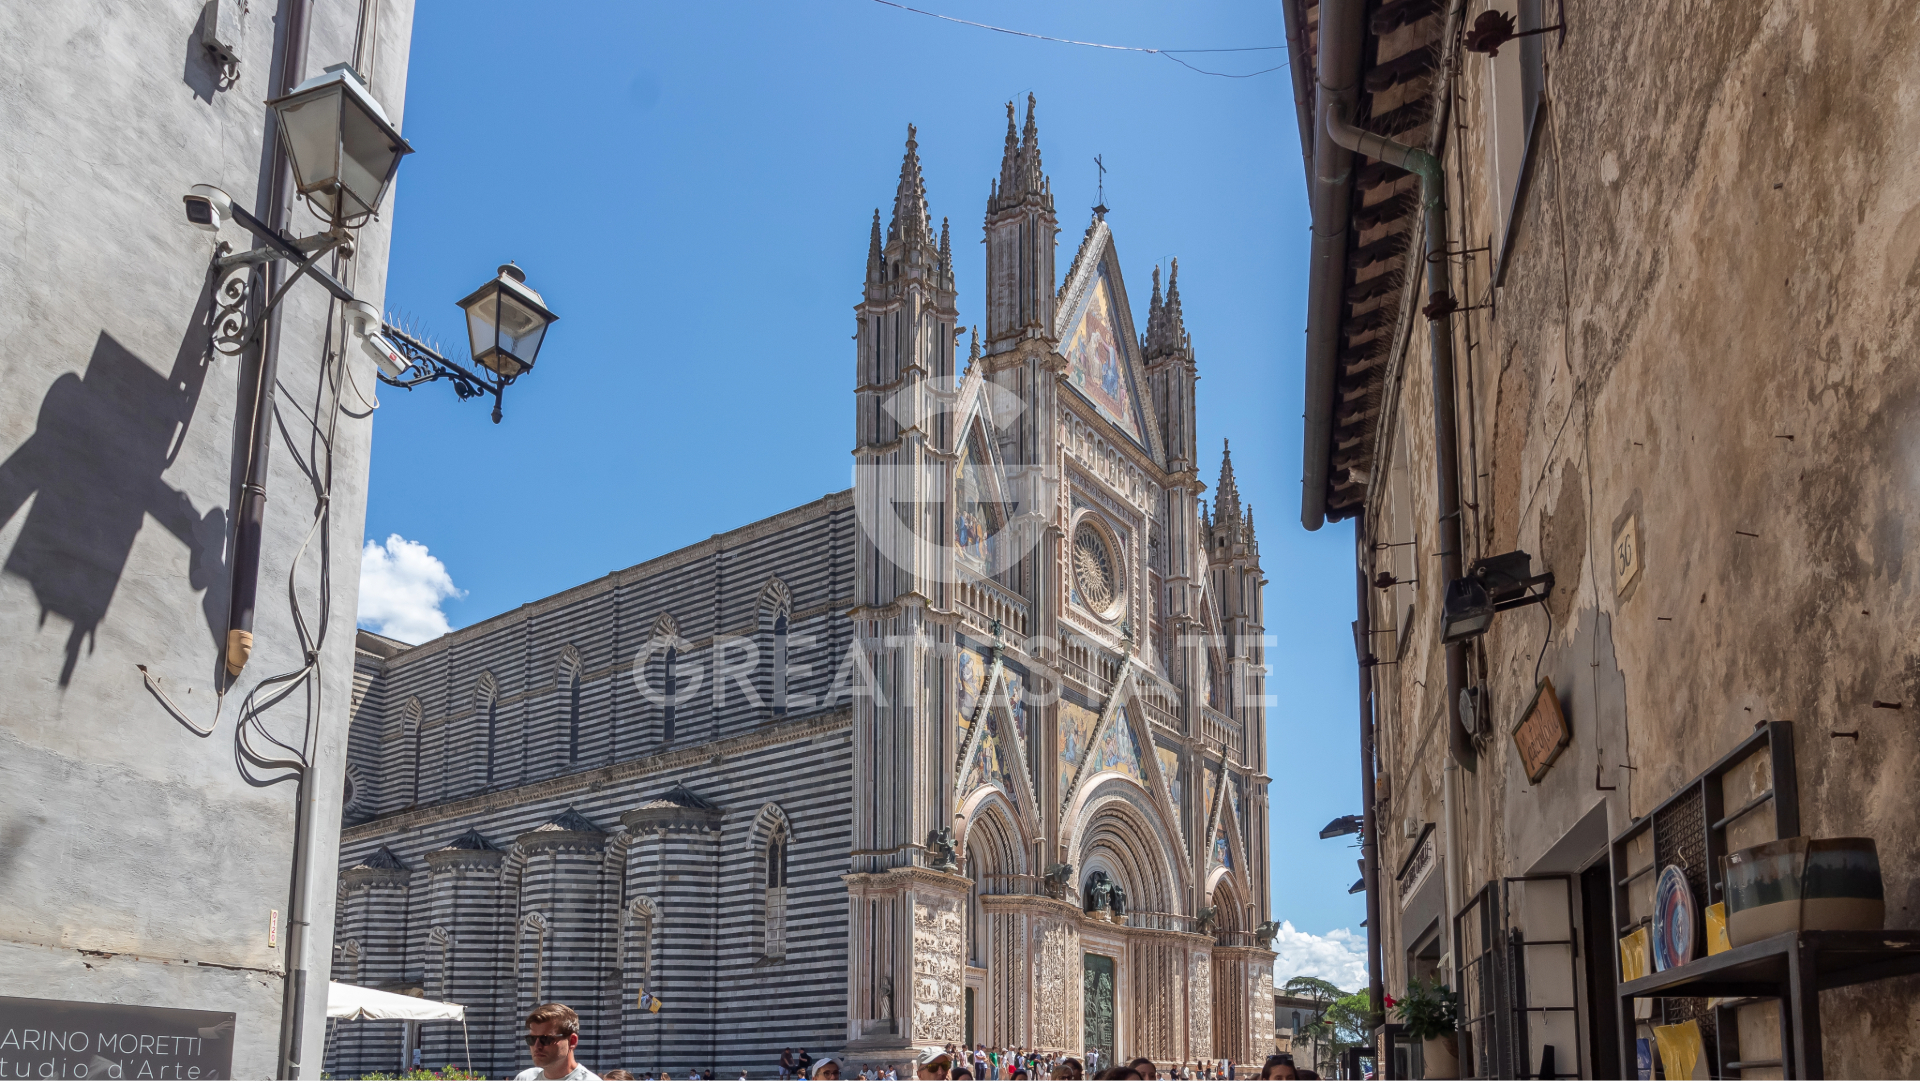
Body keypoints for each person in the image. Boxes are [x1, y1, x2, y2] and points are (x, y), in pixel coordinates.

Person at [517, 1003, 600, 1081]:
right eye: (532, 1039)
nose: (537, 1046)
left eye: (546, 1039)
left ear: (572, 1041)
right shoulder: (525, 1078)